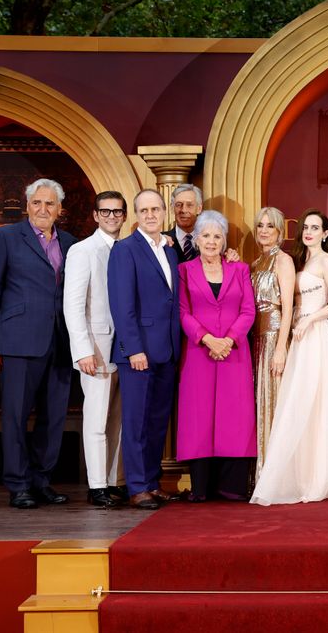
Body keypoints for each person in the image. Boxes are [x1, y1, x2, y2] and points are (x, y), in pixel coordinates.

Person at [251, 209, 328, 505]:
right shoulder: (299, 260)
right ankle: (301, 474)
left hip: (316, 336)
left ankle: (320, 477)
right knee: (298, 403)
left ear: (326, 234)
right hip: (299, 338)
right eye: (306, 227)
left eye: (315, 228)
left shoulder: (327, 261)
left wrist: (311, 319)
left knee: (318, 404)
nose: (309, 232)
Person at [0, 178, 78, 509]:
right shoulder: (6, 237)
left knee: (54, 418)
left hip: (60, 342)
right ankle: (18, 484)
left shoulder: (70, 242)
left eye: (50, 203)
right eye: (37, 202)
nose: (43, 209)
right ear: (27, 206)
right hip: (18, 341)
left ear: (59, 209)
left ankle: (41, 481)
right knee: (16, 416)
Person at [108, 189, 181, 510]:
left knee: (157, 422)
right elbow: (121, 305)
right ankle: (137, 487)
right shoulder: (125, 250)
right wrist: (133, 349)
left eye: (155, 209)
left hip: (167, 349)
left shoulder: (170, 249)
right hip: (138, 352)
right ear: (136, 215)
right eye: (144, 210)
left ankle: (152, 482)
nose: (150, 215)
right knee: (136, 422)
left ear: (164, 212)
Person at [177, 210, 257, 501]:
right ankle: (201, 488)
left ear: (224, 242)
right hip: (198, 352)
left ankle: (231, 487)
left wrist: (229, 340)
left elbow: (248, 310)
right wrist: (208, 339)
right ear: (196, 239)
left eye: (217, 236)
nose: (211, 241)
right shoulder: (184, 270)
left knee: (234, 414)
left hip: (234, 352)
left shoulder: (240, 269)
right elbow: (182, 312)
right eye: (206, 235)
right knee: (198, 415)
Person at [63, 190, 127, 507]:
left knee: (118, 419)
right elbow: (73, 305)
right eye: (106, 211)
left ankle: (115, 481)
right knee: (97, 418)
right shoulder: (82, 251)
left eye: (117, 212)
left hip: (125, 347)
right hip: (96, 347)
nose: (111, 216)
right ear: (95, 215)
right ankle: (97, 485)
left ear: (124, 216)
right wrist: (82, 350)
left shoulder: (126, 250)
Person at [249, 206, 295, 482]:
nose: (264, 231)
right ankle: (261, 472)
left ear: (280, 232)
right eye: (260, 225)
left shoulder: (283, 261)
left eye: (270, 226)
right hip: (255, 340)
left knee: (275, 402)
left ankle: (277, 476)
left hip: (273, 338)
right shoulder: (256, 263)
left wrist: (280, 347)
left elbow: (288, 308)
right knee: (259, 403)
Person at [162, 183, 203, 263]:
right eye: (178, 205)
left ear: (199, 208)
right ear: (172, 208)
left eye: (189, 205)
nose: (183, 210)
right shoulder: (160, 241)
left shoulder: (210, 242)